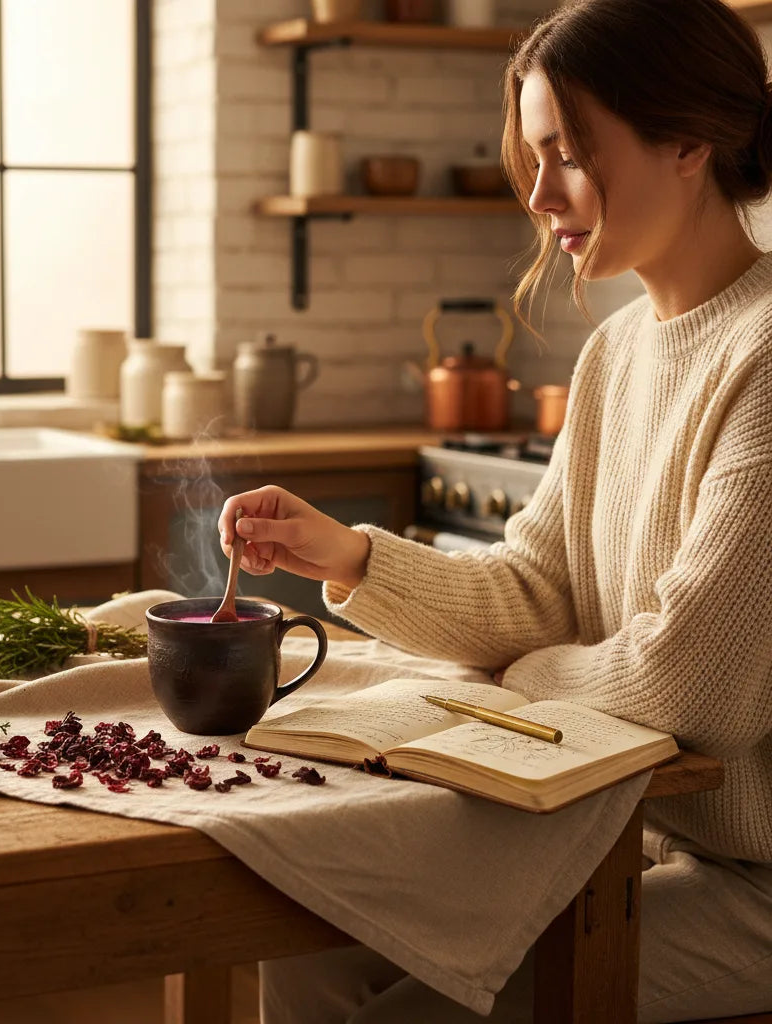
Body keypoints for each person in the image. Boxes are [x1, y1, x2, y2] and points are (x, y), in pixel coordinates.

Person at [216, 1, 772, 1021]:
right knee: (302, 921)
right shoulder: (615, 352)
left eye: (567, 151)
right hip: (619, 824)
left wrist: (522, 675)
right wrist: (343, 552)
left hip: (752, 883)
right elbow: (537, 588)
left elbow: (690, 687)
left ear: (688, 138)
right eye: (531, 153)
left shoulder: (765, 355)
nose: (537, 190)